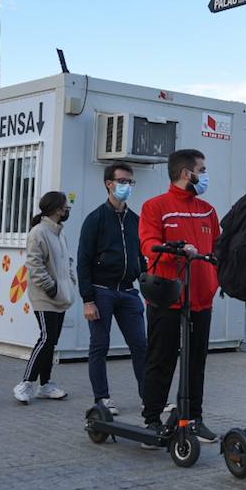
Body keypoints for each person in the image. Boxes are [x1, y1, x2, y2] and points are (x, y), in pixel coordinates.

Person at [138, 149, 220, 444]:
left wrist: (218, 275)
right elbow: (148, 243)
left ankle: (193, 417)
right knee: (161, 359)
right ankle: (151, 418)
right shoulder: (155, 207)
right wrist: (171, 248)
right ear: (188, 173)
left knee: (196, 361)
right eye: (203, 168)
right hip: (168, 298)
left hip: (201, 299)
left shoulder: (207, 210)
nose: (206, 174)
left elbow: (218, 247)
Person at [76, 162, 148, 415]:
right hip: (101, 291)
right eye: (122, 181)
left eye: (130, 182)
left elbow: (142, 258)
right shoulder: (95, 219)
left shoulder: (136, 220)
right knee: (100, 345)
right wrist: (88, 299)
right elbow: (83, 261)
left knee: (141, 345)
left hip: (128, 292)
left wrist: (148, 288)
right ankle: (102, 399)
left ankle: (148, 398)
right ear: (109, 183)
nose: (127, 186)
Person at [14, 191, 77, 403]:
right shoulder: (38, 232)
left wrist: (70, 282)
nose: (68, 209)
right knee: (46, 338)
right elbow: (34, 264)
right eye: (65, 206)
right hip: (45, 296)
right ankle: (26, 383)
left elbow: (67, 261)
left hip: (61, 295)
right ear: (57, 209)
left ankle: (45, 385)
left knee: (52, 341)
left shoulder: (59, 233)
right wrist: (50, 288)